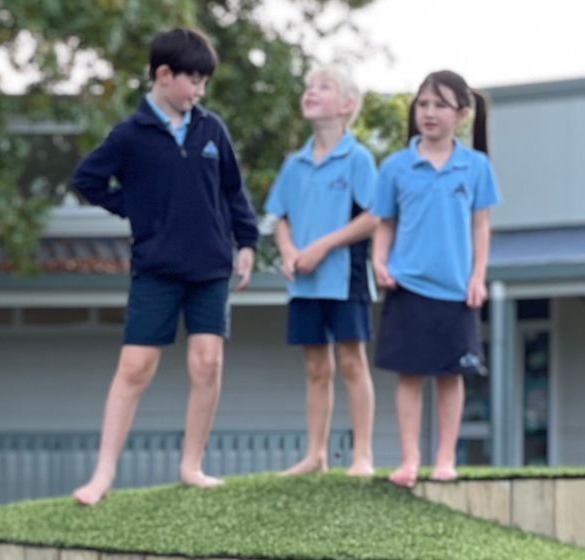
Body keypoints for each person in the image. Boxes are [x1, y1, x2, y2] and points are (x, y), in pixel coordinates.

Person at [69, 26, 259, 505]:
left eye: (204, 83)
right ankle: (102, 475)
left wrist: (247, 242)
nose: (199, 91)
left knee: (207, 362)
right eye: (193, 81)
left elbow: (233, 191)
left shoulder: (212, 130)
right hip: (155, 268)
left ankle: (191, 466)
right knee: (135, 367)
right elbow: (87, 180)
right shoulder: (129, 136)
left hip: (210, 266)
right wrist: (136, 209)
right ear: (164, 75)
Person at [370, 69, 500, 486]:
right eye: (423, 104)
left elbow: (480, 225)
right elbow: (384, 222)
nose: (429, 113)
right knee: (409, 375)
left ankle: (445, 459)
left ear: (461, 114)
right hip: (407, 285)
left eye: (440, 105)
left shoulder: (476, 166)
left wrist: (477, 277)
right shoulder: (395, 166)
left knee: (450, 376)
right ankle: (409, 460)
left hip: (457, 291)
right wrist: (379, 262)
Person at [264, 64, 379, 478]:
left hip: (345, 279)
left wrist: (322, 246)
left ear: (346, 105)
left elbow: (374, 216)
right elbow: (279, 217)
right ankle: (315, 455)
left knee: (351, 361)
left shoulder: (358, 158)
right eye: (309, 86)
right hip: (304, 285)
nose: (311, 92)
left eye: (324, 87)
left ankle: (362, 455)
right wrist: (289, 250)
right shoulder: (293, 164)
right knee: (315, 367)